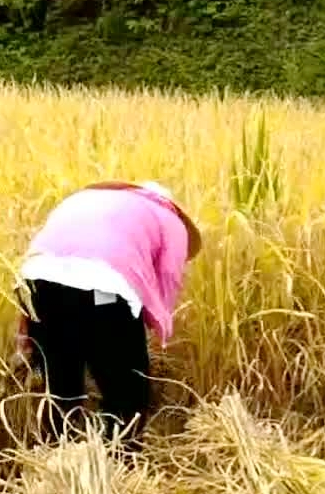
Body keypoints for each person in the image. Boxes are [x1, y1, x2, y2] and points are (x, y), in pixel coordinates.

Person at [17, 180, 201, 444]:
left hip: (37, 282)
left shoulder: (86, 198)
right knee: (127, 389)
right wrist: (158, 325)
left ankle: (58, 462)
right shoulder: (168, 218)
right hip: (102, 285)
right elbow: (169, 277)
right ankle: (120, 463)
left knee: (61, 386)